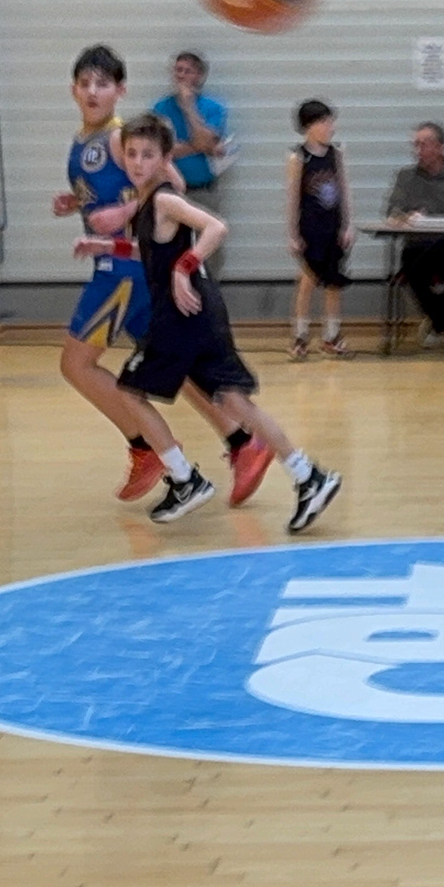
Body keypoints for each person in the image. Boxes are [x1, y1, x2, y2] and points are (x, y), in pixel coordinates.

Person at [92, 112, 341, 530]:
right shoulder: (145, 204)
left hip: (182, 316)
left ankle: (185, 479)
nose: (137, 162)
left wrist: (185, 265)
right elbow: (153, 255)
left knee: (130, 393)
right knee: (234, 402)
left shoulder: (165, 200)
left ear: (165, 159)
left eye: (148, 155)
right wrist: (104, 247)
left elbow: (215, 227)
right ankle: (308, 476)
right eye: (131, 154)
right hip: (200, 315)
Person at [52, 45, 271, 507]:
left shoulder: (118, 137)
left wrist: (126, 212)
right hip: (130, 266)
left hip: (124, 271)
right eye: (85, 83)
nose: (93, 91)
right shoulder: (83, 139)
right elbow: (115, 190)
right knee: (176, 368)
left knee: (77, 364)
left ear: (120, 90)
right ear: (73, 90)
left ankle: (147, 448)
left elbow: (175, 184)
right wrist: (78, 202)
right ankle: (241, 442)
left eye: (102, 83)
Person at [385, 121, 444, 346]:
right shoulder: (405, 177)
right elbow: (392, 212)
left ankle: (436, 318)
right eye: (416, 144)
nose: (419, 150)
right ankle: (440, 322)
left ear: (441, 148)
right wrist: (406, 217)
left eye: (424, 144)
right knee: (414, 273)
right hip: (417, 247)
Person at [150, 52, 232, 274]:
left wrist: (188, 107)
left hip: (203, 190)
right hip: (170, 191)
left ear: (200, 76)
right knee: (170, 244)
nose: (181, 75)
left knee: (210, 249)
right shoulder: (160, 107)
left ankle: (208, 291)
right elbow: (161, 150)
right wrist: (198, 146)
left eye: (188, 71)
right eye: (178, 70)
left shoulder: (214, 108)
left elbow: (208, 140)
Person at [285, 99, 354, 361]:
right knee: (308, 280)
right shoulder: (298, 157)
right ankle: (300, 335)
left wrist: (348, 225)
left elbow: (345, 192)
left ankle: (331, 335)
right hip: (310, 228)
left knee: (333, 282)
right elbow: (293, 198)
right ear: (308, 126)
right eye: (324, 122)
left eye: (330, 121)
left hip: (333, 227)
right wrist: (293, 234)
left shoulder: (337, 154)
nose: (330, 127)